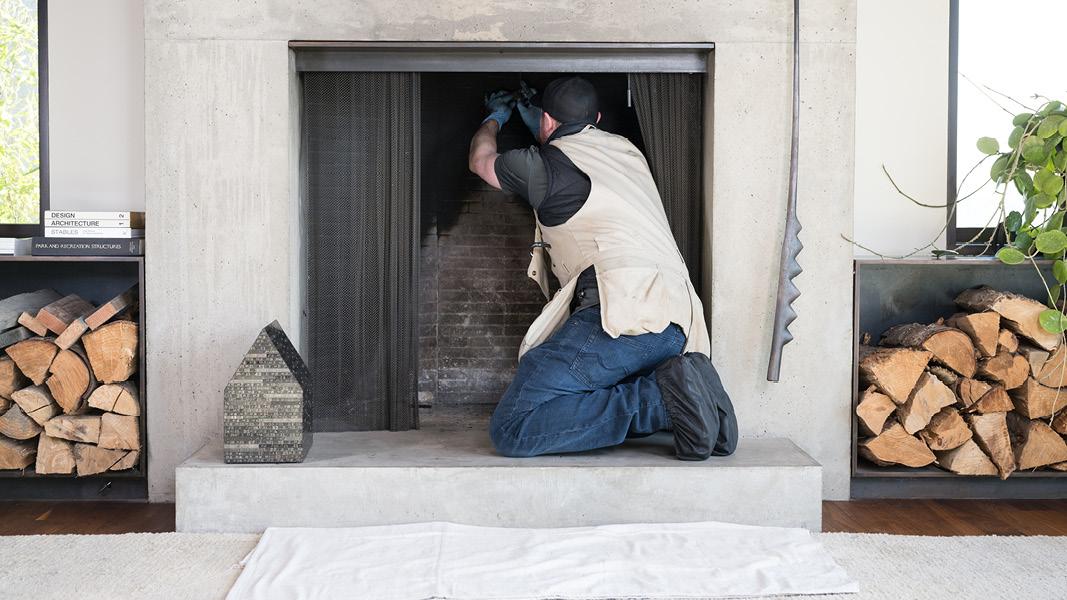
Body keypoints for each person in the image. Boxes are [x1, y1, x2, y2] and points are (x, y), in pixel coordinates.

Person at [467, 76, 737, 461]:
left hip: (622, 318)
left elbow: (482, 161)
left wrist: (493, 119)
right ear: (595, 118)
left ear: (546, 122)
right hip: (678, 324)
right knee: (584, 387)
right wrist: (543, 128)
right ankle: (694, 390)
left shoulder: (543, 166)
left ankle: (661, 401)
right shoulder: (627, 153)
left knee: (514, 426)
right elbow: (575, 155)